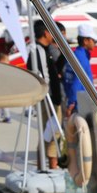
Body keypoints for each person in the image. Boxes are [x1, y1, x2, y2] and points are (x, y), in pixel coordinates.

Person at [26, 20, 63, 167]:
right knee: (53, 131)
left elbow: (53, 70)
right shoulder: (39, 51)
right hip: (48, 99)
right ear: (46, 33)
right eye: (51, 31)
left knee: (51, 130)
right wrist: (51, 98)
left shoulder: (45, 50)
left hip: (50, 98)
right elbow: (43, 77)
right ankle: (47, 164)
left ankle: (48, 164)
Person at [63, 21, 97, 115]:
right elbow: (76, 81)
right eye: (94, 40)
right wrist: (72, 103)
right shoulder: (81, 57)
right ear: (85, 41)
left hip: (80, 99)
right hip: (79, 103)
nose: (95, 43)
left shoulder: (77, 54)